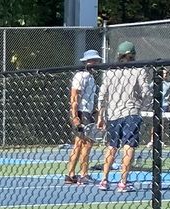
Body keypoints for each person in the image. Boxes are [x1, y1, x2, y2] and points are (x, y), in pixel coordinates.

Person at [96, 41, 151, 193]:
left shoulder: (110, 71)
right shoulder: (138, 70)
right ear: (133, 55)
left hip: (112, 113)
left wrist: (101, 114)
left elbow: (102, 95)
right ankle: (123, 182)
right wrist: (141, 105)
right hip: (131, 112)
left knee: (112, 146)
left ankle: (104, 180)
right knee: (129, 145)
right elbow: (146, 92)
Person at [64, 50, 103, 184]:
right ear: (86, 62)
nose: (95, 63)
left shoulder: (91, 77)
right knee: (86, 143)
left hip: (88, 112)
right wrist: (75, 116)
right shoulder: (81, 76)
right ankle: (83, 174)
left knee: (79, 143)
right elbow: (74, 96)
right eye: (92, 60)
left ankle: (71, 174)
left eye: (97, 60)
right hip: (82, 112)